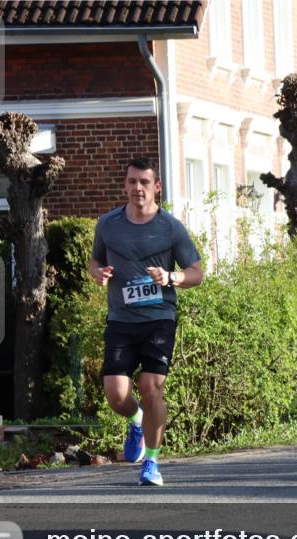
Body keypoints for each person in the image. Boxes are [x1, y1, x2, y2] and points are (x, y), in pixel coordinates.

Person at [89, 158, 204, 486]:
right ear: (125, 185)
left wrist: (171, 276)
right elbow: (95, 260)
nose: (137, 188)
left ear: (157, 187)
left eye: (144, 182)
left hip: (159, 318)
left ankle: (152, 463)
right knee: (115, 394)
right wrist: (97, 272)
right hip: (121, 319)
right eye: (131, 182)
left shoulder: (170, 227)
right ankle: (136, 420)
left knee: (151, 388)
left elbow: (197, 272)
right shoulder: (108, 225)